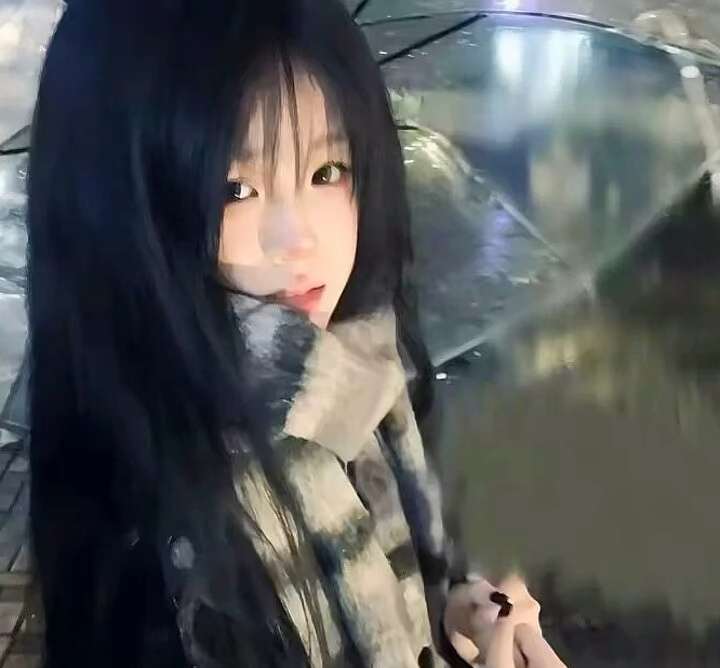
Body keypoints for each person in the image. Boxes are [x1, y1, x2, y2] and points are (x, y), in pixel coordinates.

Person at [26, 0, 565, 665]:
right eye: (234, 189)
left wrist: (454, 617)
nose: (298, 238)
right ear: (123, 209)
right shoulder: (166, 547)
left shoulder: (364, 366)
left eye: (326, 171)